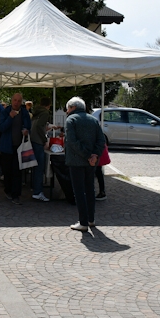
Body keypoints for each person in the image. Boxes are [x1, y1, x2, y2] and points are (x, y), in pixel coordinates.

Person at [64, 97, 105, 230]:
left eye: (67, 108)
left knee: (79, 191)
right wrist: (94, 155)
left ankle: (83, 222)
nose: (66, 111)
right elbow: (101, 140)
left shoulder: (71, 120)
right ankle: (91, 219)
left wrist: (87, 155)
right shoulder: (93, 120)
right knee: (90, 189)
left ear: (72, 107)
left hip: (76, 161)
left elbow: (72, 141)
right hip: (91, 162)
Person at [0, 93, 31, 205]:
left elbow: (28, 125)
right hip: (7, 147)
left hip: (19, 147)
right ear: (12, 101)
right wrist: (10, 118)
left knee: (17, 171)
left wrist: (26, 130)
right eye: (15, 100)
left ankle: (16, 195)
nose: (16, 103)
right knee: (7, 171)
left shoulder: (24, 113)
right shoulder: (5, 112)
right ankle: (8, 190)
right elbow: (1, 128)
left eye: (18, 101)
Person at [30, 97, 52, 202]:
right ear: (48, 105)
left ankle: (35, 188)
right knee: (39, 168)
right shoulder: (45, 113)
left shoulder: (36, 112)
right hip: (38, 142)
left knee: (35, 167)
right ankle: (37, 191)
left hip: (33, 140)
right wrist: (44, 140)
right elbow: (39, 126)